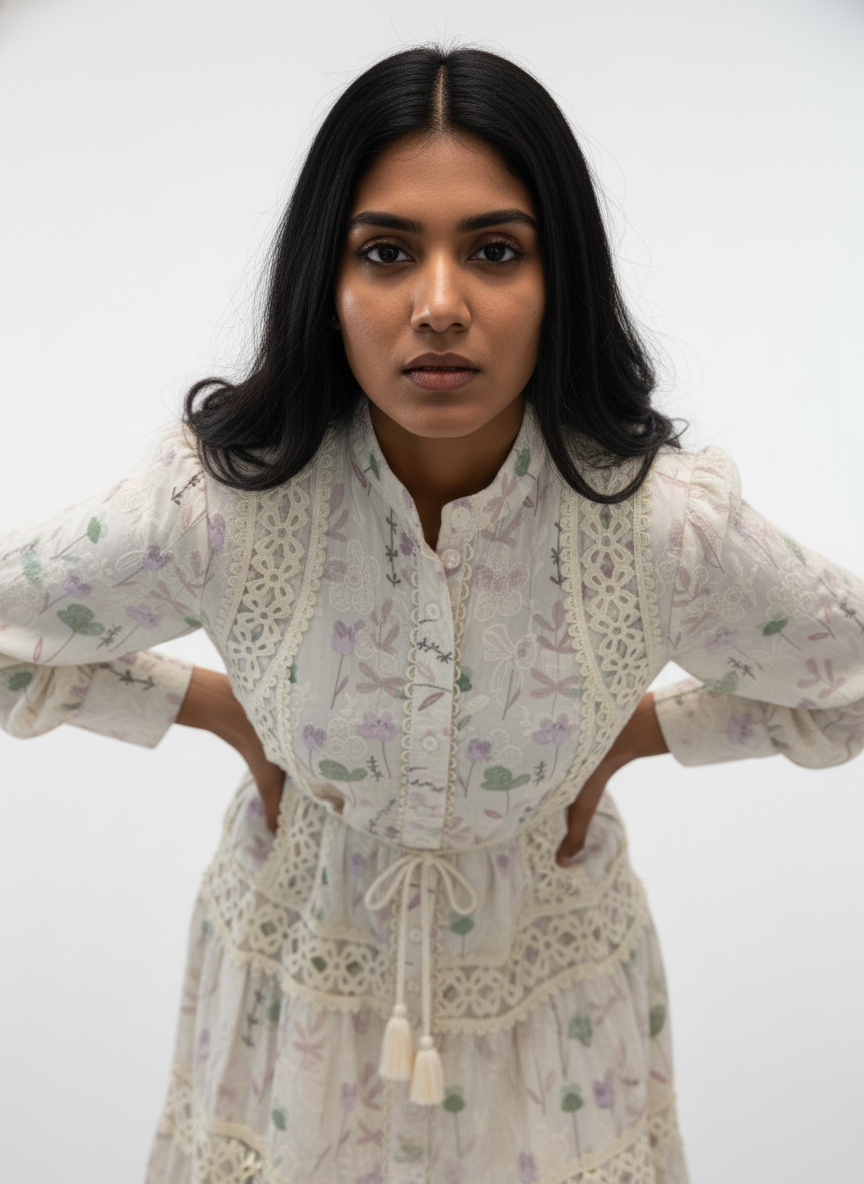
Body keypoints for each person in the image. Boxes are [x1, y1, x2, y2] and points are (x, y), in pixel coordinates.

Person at [1, 44, 862, 1184]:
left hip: (553, 1007)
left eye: (496, 250)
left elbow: (847, 667)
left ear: (561, 283)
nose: (441, 305)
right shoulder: (223, 508)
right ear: (329, 276)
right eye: (388, 251)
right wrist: (217, 707)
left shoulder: (657, 531)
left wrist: (637, 732)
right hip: (294, 994)